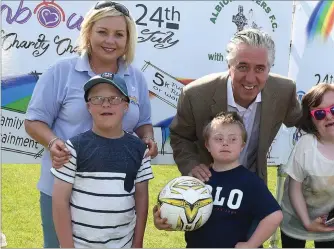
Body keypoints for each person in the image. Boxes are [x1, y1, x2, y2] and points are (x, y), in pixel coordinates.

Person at [24, 2, 157, 247]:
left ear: (128, 39)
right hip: (62, 189)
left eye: (119, 34)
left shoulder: (136, 77)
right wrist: (54, 143)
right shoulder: (61, 71)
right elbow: (33, 122)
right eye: (102, 32)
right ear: (88, 32)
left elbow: (144, 123)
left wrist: (148, 138)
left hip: (114, 195)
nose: (110, 40)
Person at [169, 28, 301, 185]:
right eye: (242, 67)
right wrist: (192, 165)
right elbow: (180, 137)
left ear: (269, 69)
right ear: (229, 66)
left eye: (260, 68)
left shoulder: (283, 91)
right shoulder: (195, 95)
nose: (250, 78)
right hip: (208, 186)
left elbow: (304, 122)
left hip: (253, 186)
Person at [51, 73, 154, 248]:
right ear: (89, 106)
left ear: (126, 106)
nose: (106, 104)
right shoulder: (74, 147)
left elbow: (142, 200)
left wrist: (138, 243)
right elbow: (60, 201)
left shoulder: (139, 150)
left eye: (114, 98)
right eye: (97, 98)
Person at [154, 112, 283, 248]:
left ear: (242, 146)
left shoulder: (250, 182)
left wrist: (251, 244)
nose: (225, 143)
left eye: (233, 139)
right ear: (207, 145)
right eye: (218, 139)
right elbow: (184, 215)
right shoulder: (197, 180)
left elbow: (274, 216)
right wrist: (164, 222)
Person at [280, 83, 334, 248]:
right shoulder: (306, 146)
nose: (329, 116)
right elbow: (294, 188)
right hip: (295, 218)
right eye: (319, 113)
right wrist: (306, 222)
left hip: (332, 220)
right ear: (312, 122)